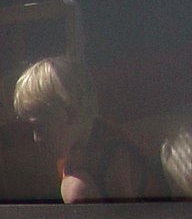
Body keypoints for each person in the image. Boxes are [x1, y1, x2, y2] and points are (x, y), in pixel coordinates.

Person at [12, 56, 166, 201]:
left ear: (70, 114)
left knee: (76, 189)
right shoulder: (71, 145)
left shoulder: (114, 156)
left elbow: (130, 217)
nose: (36, 138)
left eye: (40, 127)